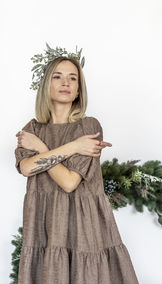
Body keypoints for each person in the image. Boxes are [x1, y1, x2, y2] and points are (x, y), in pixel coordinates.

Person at [14, 47, 139, 283]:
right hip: (45, 226)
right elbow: (27, 168)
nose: (66, 83)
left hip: (83, 224)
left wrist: (41, 149)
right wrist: (73, 147)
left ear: (79, 88)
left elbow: (70, 182)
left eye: (73, 78)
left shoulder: (88, 127)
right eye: (57, 76)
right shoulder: (33, 130)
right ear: (46, 85)